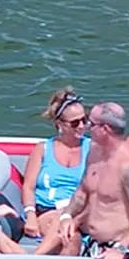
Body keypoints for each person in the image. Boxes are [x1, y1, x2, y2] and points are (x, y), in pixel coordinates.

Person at [42, 101, 129, 259]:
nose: (86, 127)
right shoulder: (94, 152)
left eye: (91, 123)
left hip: (120, 249)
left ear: (104, 129)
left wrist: (121, 249)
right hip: (94, 244)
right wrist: (67, 216)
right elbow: (83, 191)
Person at [19, 87, 89, 246]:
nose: (81, 126)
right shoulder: (43, 149)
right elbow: (28, 186)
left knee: (71, 235)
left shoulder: (93, 149)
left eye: (84, 120)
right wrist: (30, 216)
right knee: (71, 238)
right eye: (75, 123)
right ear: (60, 124)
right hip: (47, 210)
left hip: (77, 212)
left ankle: (35, 256)